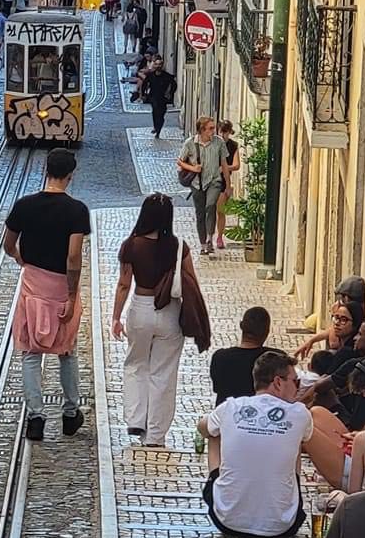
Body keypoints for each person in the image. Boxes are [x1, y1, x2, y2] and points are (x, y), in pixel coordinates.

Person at [2, 147, 88, 444]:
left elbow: (8, 243)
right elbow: (74, 256)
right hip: (62, 286)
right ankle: (70, 413)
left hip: (33, 286)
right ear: (70, 176)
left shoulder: (24, 205)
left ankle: (35, 418)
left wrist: (21, 259)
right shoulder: (77, 211)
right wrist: (72, 293)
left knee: (30, 352)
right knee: (67, 351)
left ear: (46, 171)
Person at [111, 192, 203, 447]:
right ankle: (156, 435)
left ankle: (136, 419)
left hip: (140, 309)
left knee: (136, 364)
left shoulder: (131, 245)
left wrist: (116, 318)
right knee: (164, 373)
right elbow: (190, 282)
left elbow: (123, 285)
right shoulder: (179, 247)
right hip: (170, 313)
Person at [200, 348, 313, 538]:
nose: (298, 388)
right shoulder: (299, 413)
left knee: (214, 432)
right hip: (282, 525)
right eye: (296, 382)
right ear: (278, 382)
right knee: (294, 441)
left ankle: (221, 486)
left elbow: (202, 427)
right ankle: (277, 502)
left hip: (227, 520)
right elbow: (306, 439)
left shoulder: (231, 406)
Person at [177, 116, 228, 257]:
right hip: (197, 183)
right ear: (202, 130)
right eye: (211, 128)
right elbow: (180, 162)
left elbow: (224, 164)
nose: (214, 130)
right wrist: (194, 169)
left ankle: (210, 238)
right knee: (200, 213)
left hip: (214, 181)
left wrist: (228, 185)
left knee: (210, 205)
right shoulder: (190, 144)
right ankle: (203, 244)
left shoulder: (219, 142)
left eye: (214, 127)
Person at [210, 305, 271, 405]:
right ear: (267, 331)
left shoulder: (220, 357)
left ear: (241, 325)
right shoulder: (275, 359)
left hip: (226, 415)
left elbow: (217, 388)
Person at [215, 119, 240, 251]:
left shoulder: (233, 146)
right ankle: (208, 237)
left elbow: (236, 165)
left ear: (230, 132)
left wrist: (225, 168)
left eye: (226, 132)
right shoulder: (212, 144)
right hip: (210, 180)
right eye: (221, 131)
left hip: (224, 182)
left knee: (220, 211)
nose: (223, 135)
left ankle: (219, 237)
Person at [140, 59, 177, 140]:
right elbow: (144, 84)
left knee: (161, 115)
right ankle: (157, 129)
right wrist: (143, 94)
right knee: (155, 112)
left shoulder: (166, 76)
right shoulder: (151, 75)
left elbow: (174, 84)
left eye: (159, 64)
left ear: (162, 65)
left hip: (163, 98)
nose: (158, 66)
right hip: (153, 97)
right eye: (156, 64)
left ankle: (158, 129)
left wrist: (170, 93)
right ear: (154, 65)